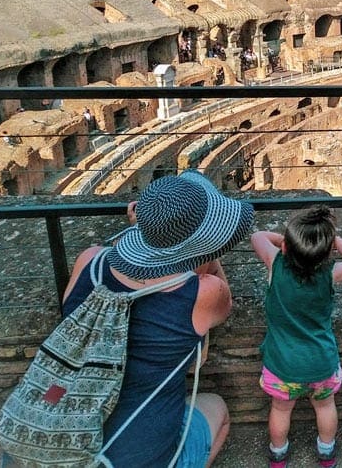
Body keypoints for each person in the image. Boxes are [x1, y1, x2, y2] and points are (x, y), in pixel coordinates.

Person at [60, 171, 253, 467]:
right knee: (217, 409)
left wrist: (149, 233)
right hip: (135, 458)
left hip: (51, 434)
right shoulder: (202, 293)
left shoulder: (91, 259)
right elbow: (222, 302)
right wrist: (207, 256)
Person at [251, 206, 342, 468]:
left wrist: (287, 242)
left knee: (280, 410)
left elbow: (257, 237)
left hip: (282, 366)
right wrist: (331, 240)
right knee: (325, 407)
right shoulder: (330, 274)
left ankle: (278, 454)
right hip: (321, 364)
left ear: (287, 248)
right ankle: (326, 452)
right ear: (327, 255)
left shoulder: (275, 264)